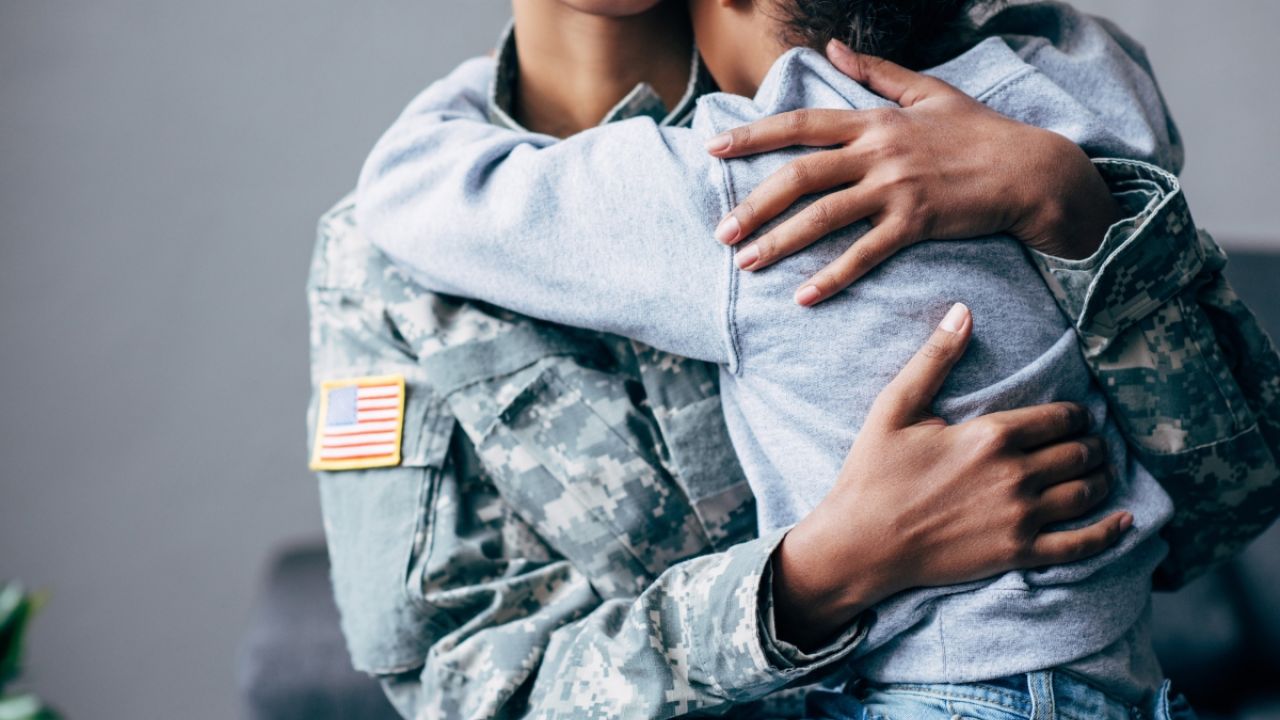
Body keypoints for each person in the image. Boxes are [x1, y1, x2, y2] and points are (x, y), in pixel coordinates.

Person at [312, 3, 1278, 720]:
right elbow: (458, 687)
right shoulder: (384, 261)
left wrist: (1072, 209)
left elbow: (1231, 504)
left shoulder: (963, 98)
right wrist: (814, 577)